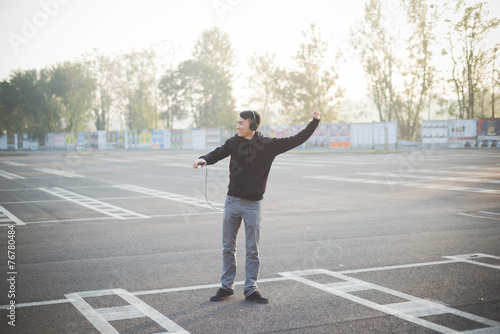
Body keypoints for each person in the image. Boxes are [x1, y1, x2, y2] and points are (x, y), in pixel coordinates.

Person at [193, 110, 320, 304]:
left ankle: (251, 289)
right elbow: (217, 153)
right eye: (237, 122)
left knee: (252, 249)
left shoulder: (269, 145)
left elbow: (297, 138)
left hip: (253, 205)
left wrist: (315, 122)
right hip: (232, 202)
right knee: (228, 247)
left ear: (252, 126)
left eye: (241, 123)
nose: (237, 126)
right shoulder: (233, 142)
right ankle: (226, 287)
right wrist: (205, 159)